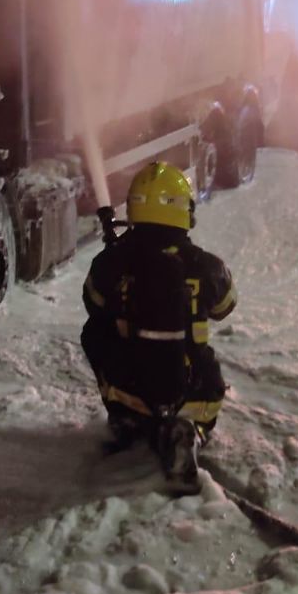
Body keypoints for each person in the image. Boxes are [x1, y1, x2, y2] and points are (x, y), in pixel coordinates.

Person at [80, 161, 236, 494]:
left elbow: (93, 304)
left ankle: (127, 419)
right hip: (196, 393)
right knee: (205, 360)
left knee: (94, 331)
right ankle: (191, 431)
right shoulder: (207, 266)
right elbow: (226, 306)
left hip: (129, 390)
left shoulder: (111, 262)